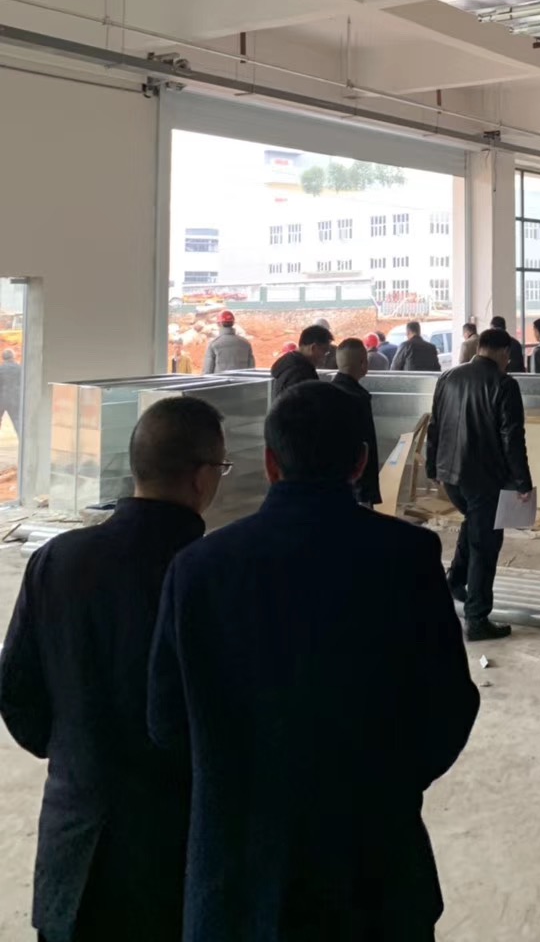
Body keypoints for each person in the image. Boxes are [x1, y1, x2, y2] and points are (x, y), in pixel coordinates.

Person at [148, 382, 478, 942]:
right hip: (374, 866)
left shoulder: (200, 568)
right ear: (361, 462)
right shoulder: (408, 557)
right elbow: (449, 706)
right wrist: (389, 786)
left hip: (242, 878)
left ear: (270, 463)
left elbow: (166, 723)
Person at [0, 396, 227, 942]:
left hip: (75, 852)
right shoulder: (214, 576)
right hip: (175, 856)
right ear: (202, 479)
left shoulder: (57, 560)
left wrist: (74, 751)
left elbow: (15, 691)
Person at [426, 328, 534, 642]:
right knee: (485, 545)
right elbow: (512, 437)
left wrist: (433, 466)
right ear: (504, 353)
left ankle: (454, 582)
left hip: (451, 475)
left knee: (474, 526)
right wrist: (522, 482)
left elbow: (435, 425)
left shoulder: (448, 377)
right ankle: (477, 619)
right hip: (484, 478)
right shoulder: (504, 384)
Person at [332, 338, 381, 508]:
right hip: (357, 488)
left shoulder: (325, 393)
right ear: (363, 364)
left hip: (332, 485)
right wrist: (365, 491)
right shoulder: (357, 399)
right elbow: (364, 446)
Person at [269, 323, 334, 400]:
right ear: (313, 348)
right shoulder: (301, 374)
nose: (325, 357)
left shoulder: (290, 365)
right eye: (325, 351)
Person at [0, 348, 22, 437]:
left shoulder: (0, 369)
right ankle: (22, 440)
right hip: (15, 398)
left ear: (3, 358)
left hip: (1, 398)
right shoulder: (20, 369)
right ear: (13, 357)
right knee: (17, 421)